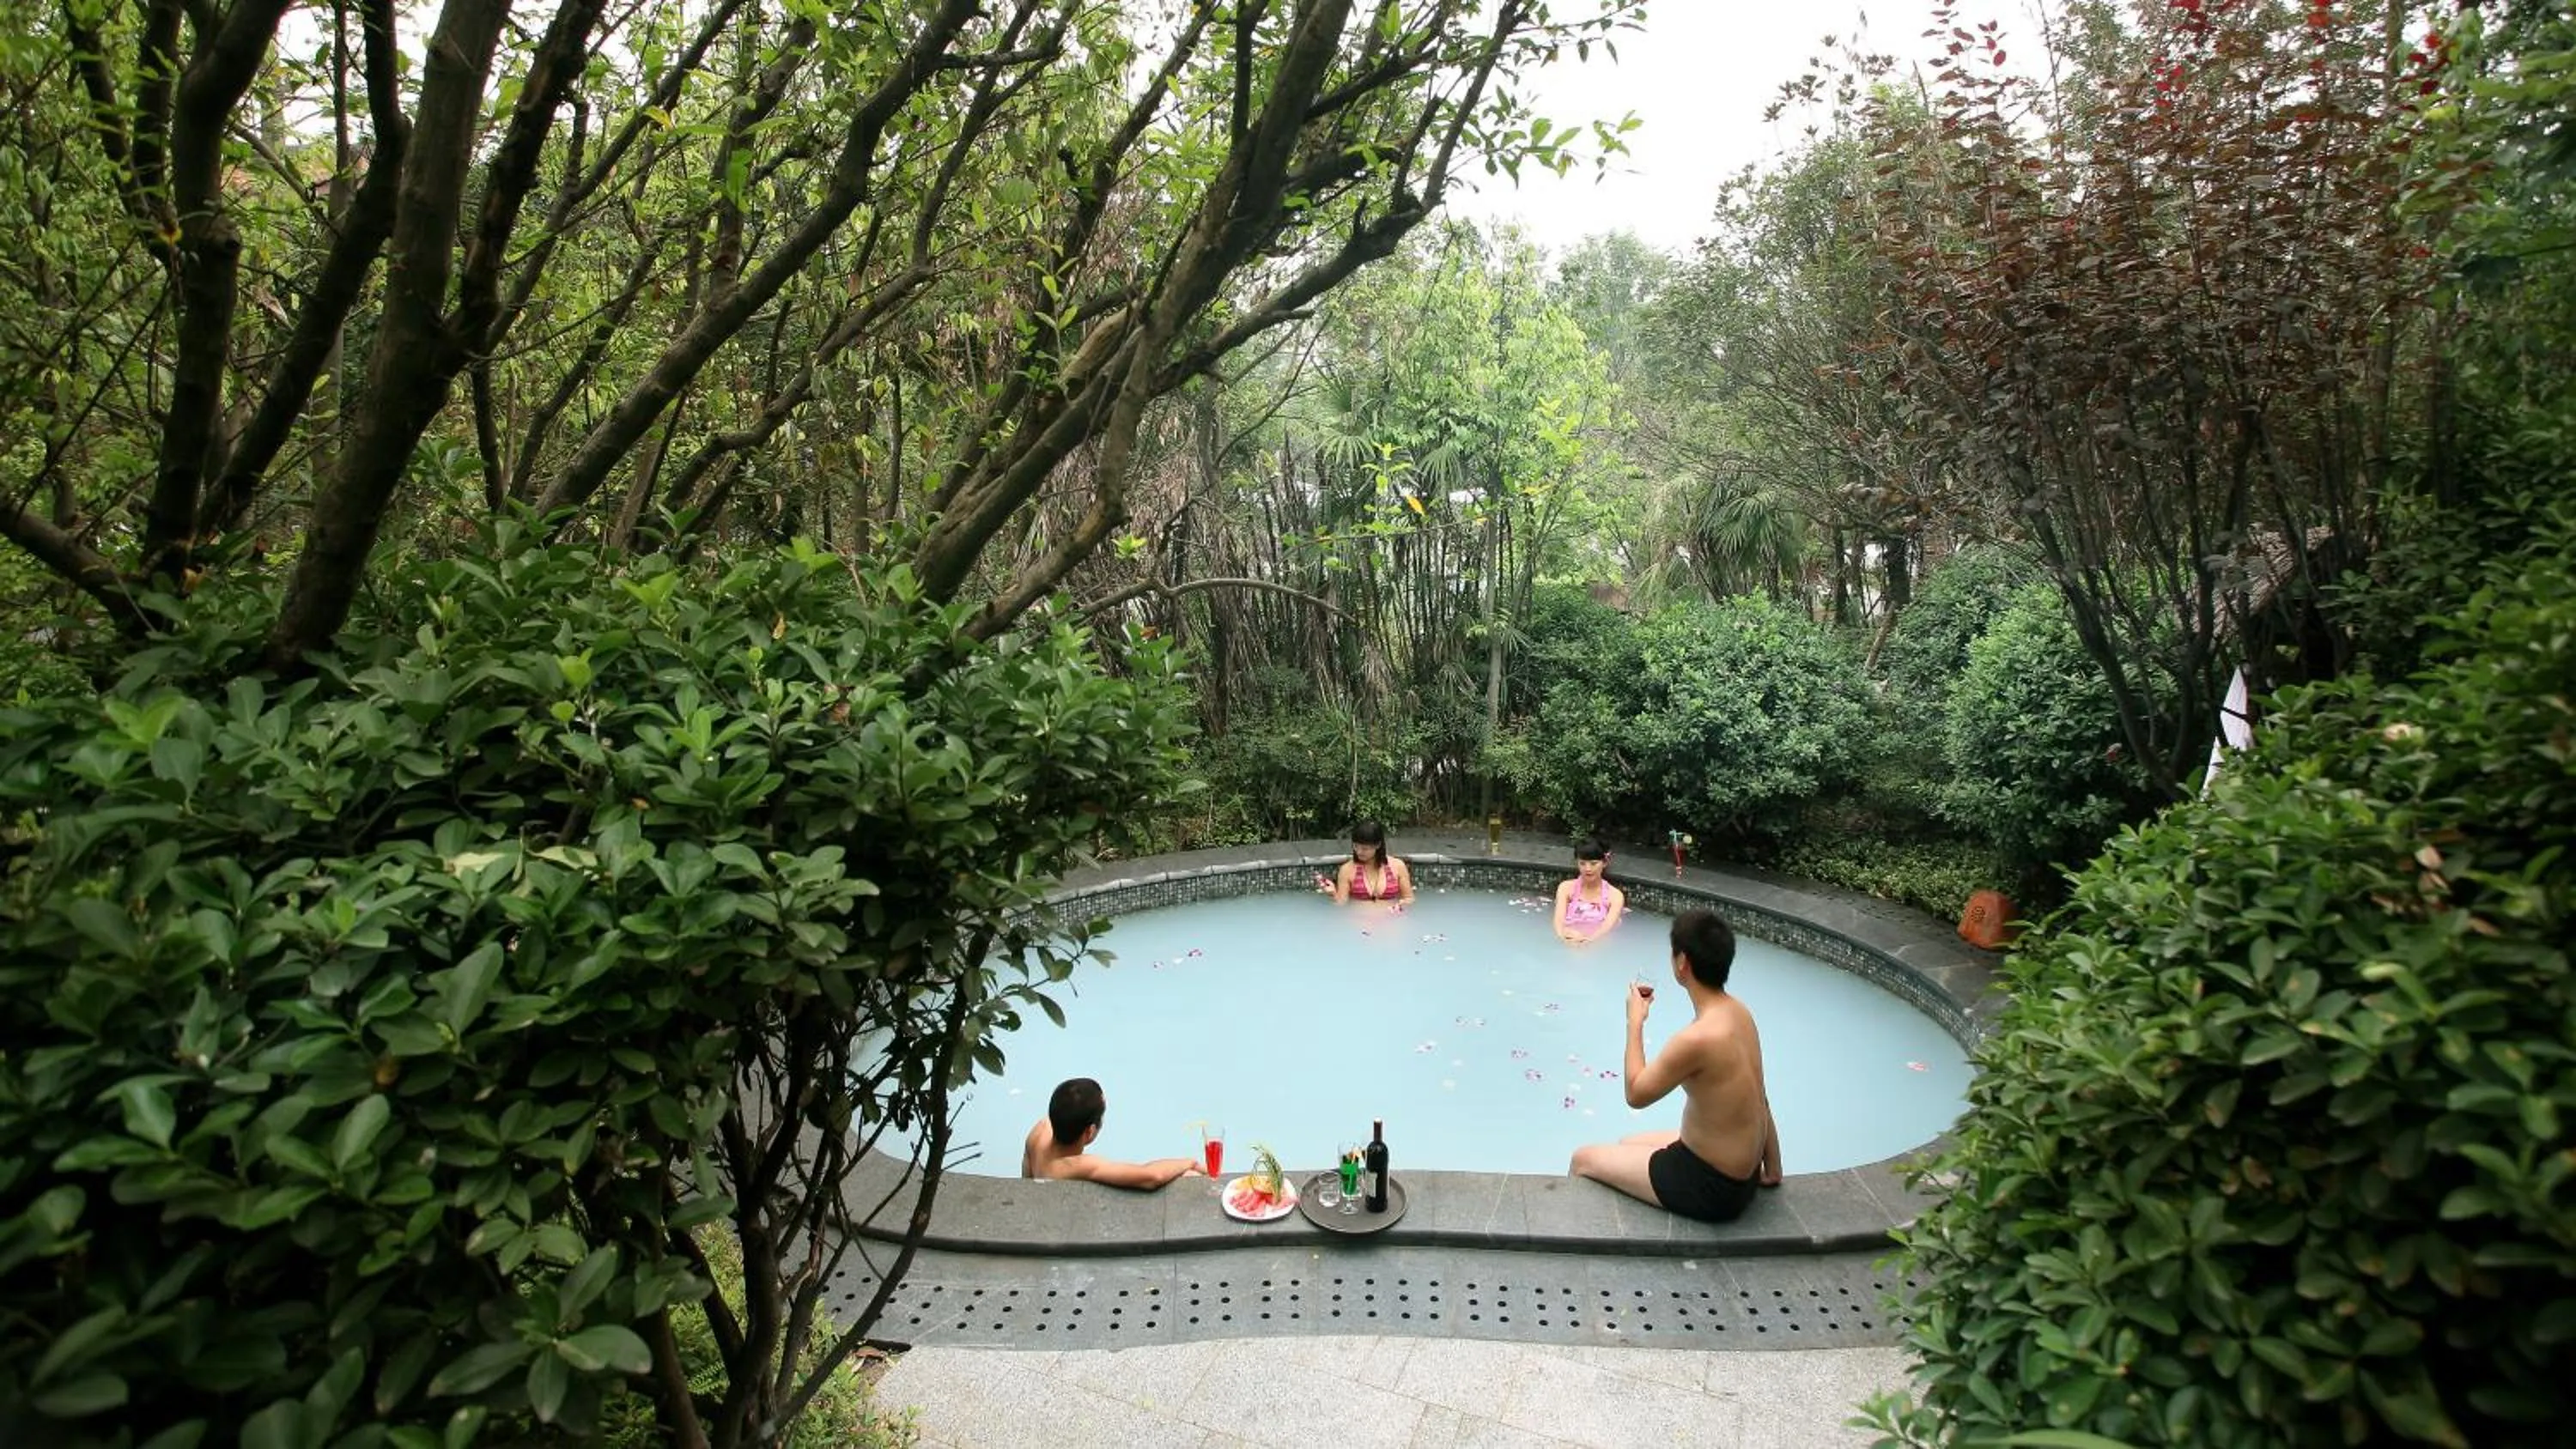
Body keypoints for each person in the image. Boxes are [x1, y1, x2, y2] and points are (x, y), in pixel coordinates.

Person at [1567, 909, 1783, 1222]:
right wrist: (1773, 1167)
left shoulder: (1696, 1039)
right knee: (1628, 1144)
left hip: (1710, 1187)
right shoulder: (1740, 1013)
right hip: (1743, 1176)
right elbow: (1761, 1097)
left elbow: (1636, 1094)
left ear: (1682, 963)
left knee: (1582, 1159)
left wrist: (1635, 1022)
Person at [1020, 1077, 1205, 1189]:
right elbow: (1150, 1177)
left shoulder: (1040, 1130)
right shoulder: (1077, 1166)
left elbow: (1026, 1183)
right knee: (1189, 1178)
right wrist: (1189, 1162)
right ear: (1090, 1131)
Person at [1315, 820, 1415, 906]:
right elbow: (1342, 905)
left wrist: (1399, 907)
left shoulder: (1397, 866)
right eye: (1355, 846)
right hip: (1359, 922)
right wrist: (1333, 894)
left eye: (1364, 848)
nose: (1359, 852)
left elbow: (1409, 899)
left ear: (1378, 845)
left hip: (1391, 920)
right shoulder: (1347, 870)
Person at [1552, 838, 1625, 944]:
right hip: (1570, 936)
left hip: (1597, 942)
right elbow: (1558, 920)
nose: (1588, 869)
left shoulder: (1615, 896)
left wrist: (1588, 942)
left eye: (1593, 863)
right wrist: (1563, 937)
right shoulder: (1566, 888)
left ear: (1605, 863)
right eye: (1582, 863)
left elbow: (1607, 928)